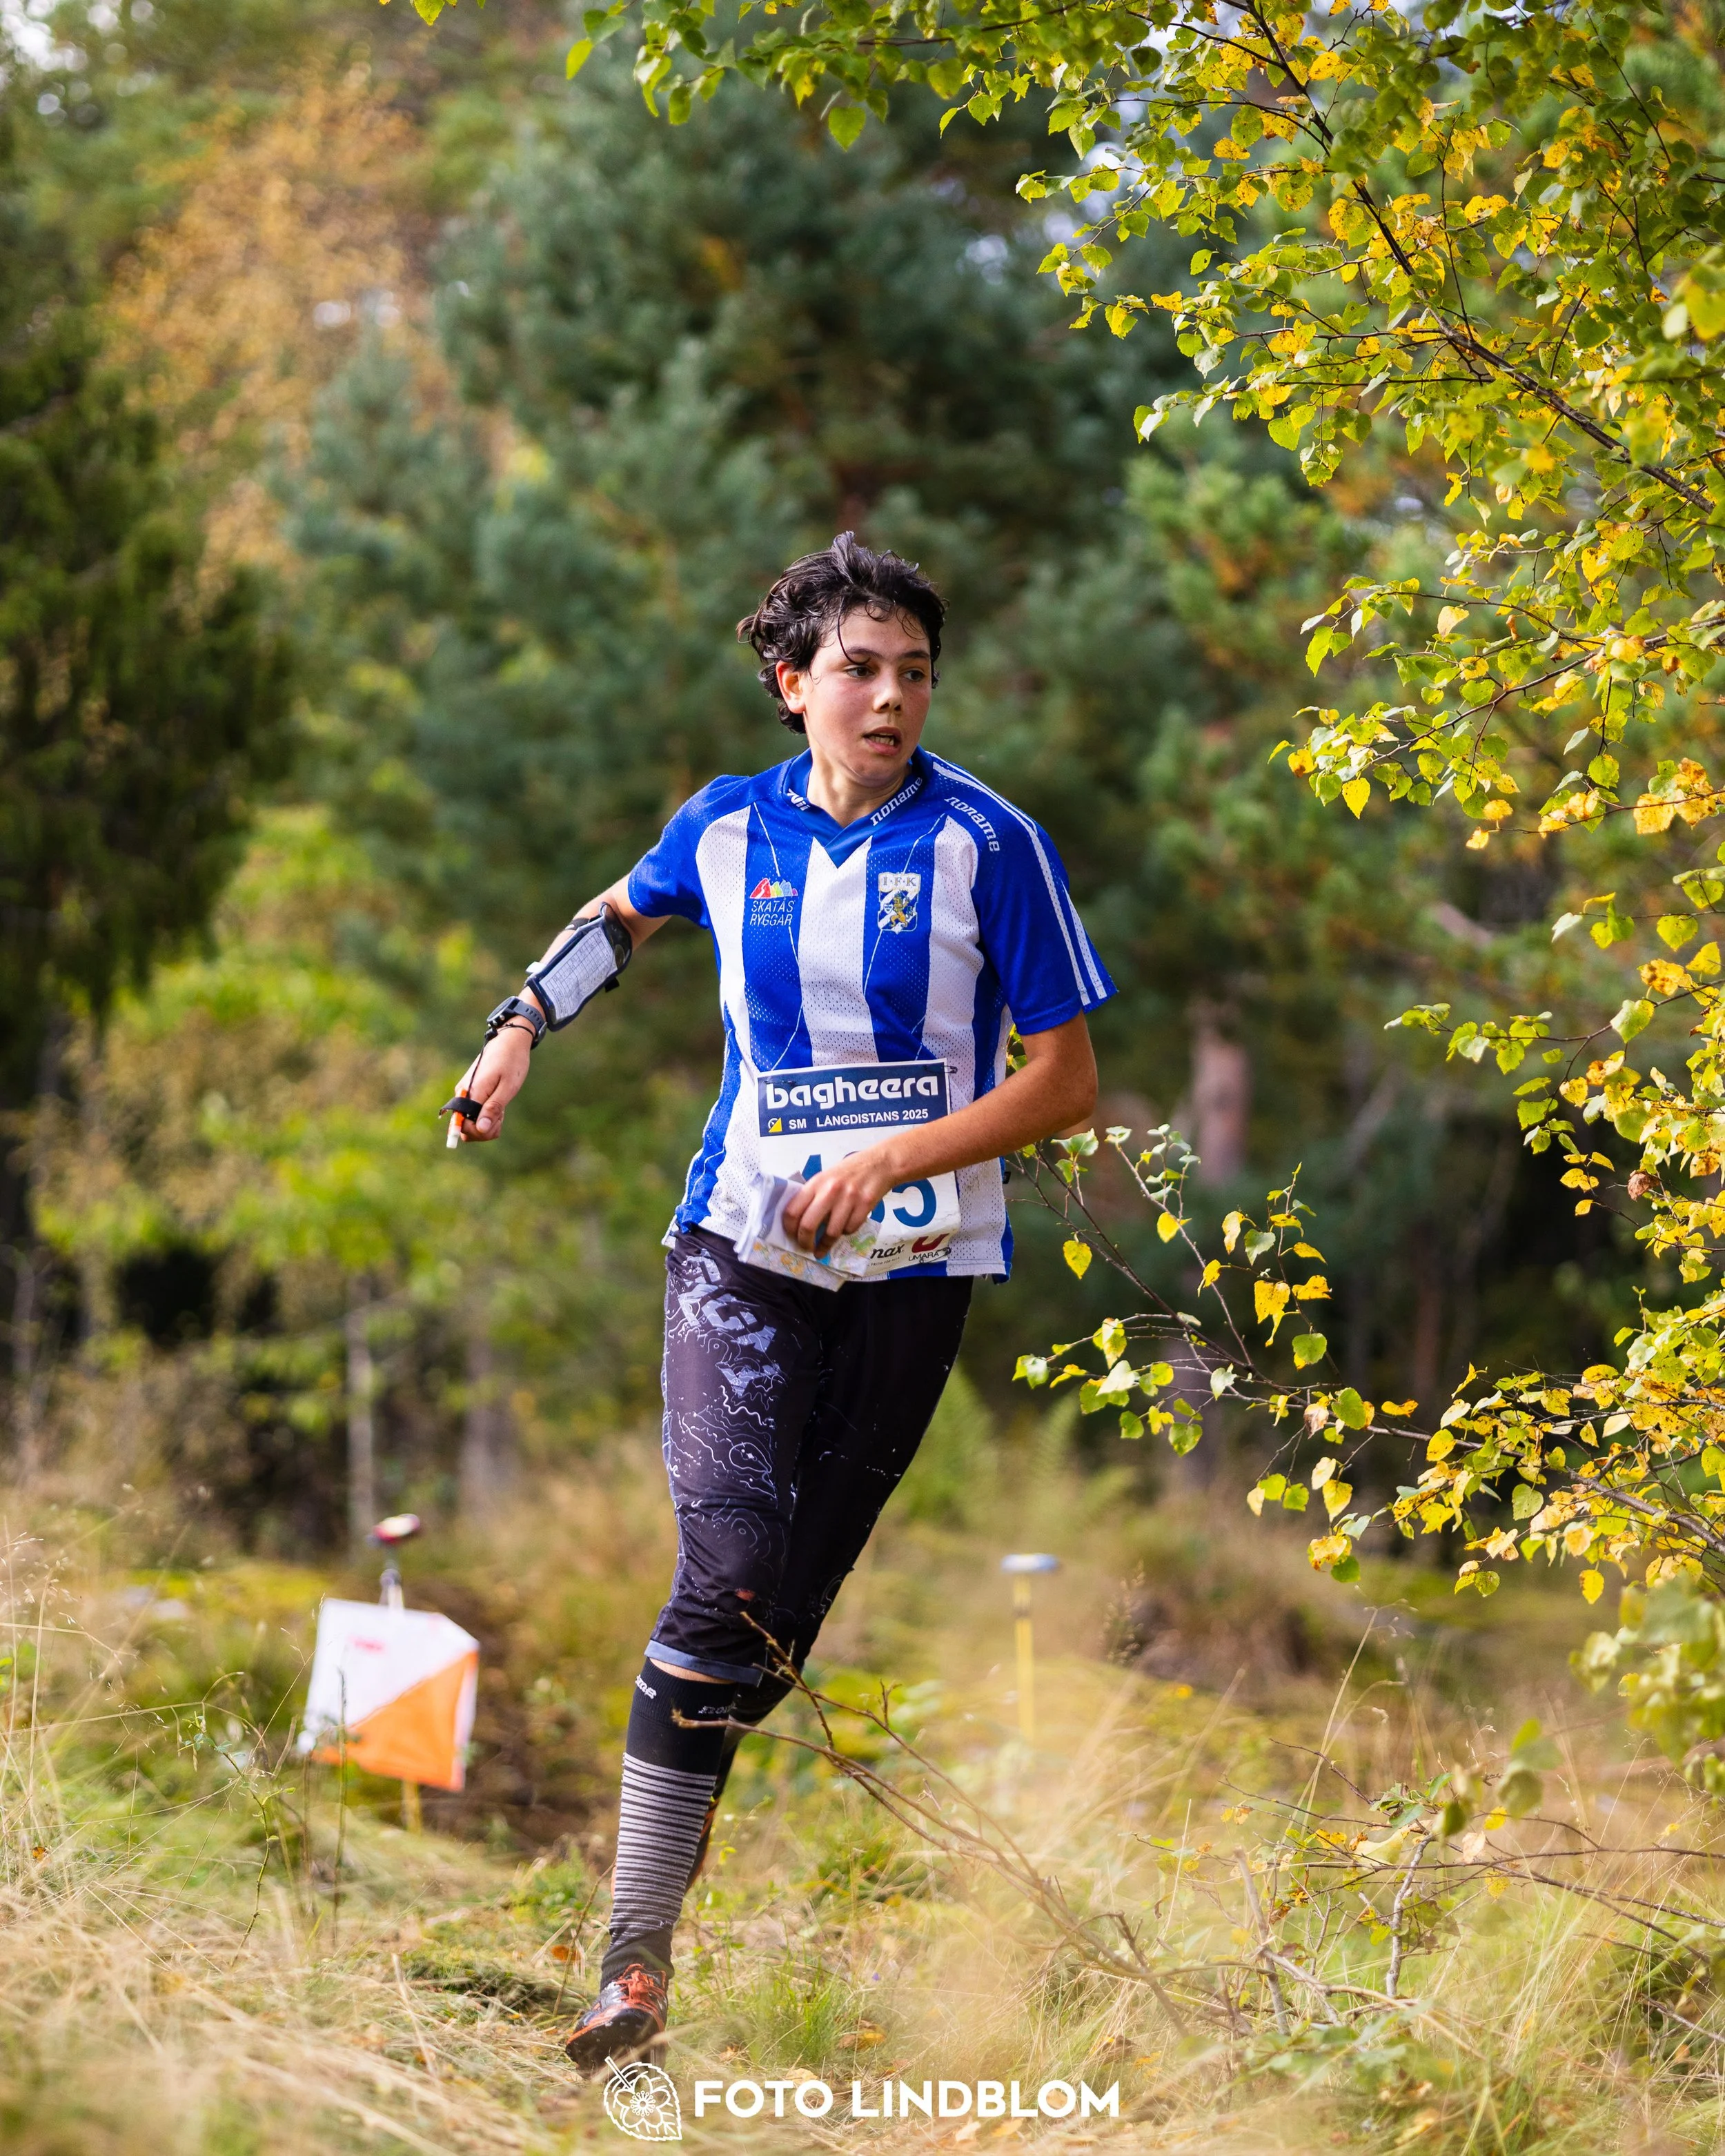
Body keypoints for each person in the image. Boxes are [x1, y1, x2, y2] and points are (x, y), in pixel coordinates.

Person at [446, 533, 1114, 2068]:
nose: (890, 699)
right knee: (725, 1567)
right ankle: (631, 1960)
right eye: (859, 670)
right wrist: (515, 1031)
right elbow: (616, 917)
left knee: (765, 1645)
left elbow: (1065, 1084)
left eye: (914, 672)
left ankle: (651, 1887)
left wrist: (891, 1158)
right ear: (790, 683)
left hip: (915, 1270)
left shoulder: (987, 843)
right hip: (738, 1242)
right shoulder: (724, 824)